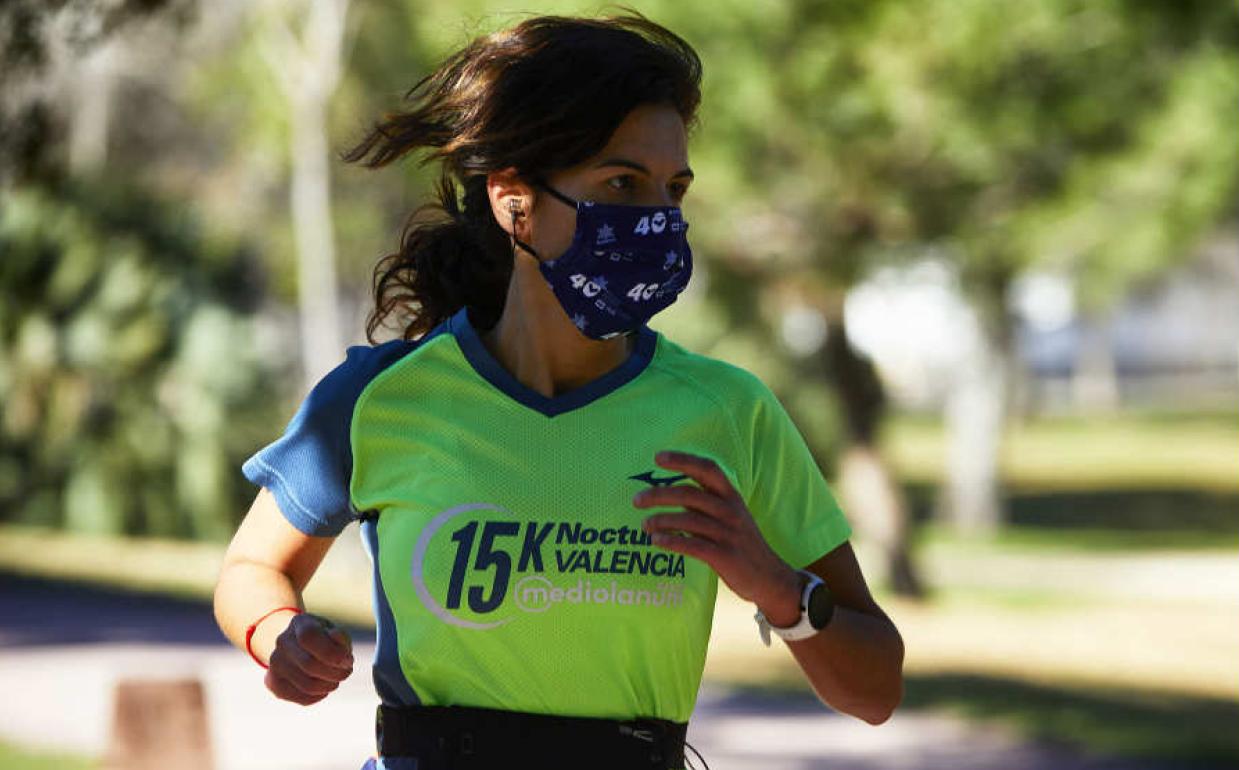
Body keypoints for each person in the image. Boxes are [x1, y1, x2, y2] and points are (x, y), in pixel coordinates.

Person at [212, 11, 904, 770]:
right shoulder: (382, 397)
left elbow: (875, 690)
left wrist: (776, 585)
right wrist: (277, 632)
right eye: (621, 183)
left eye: (673, 189)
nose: (658, 220)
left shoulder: (728, 412)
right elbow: (251, 569)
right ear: (515, 200)